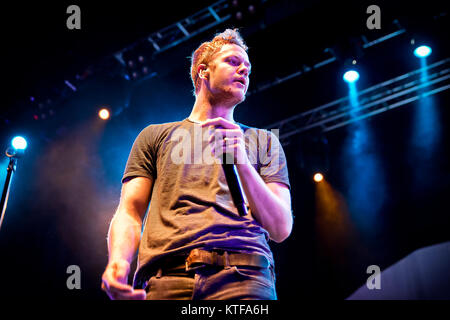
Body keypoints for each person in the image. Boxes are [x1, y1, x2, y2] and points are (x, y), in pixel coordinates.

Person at [101, 28, 293, 300]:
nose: (244, 71)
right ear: (203, 71)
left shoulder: (263, 141)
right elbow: (130, 211)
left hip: (243, 277)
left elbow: (281, 227)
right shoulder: (155, 136)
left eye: (247, 67)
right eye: (233, 62)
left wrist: (242, 163)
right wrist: (118, 261)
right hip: (165, 278)